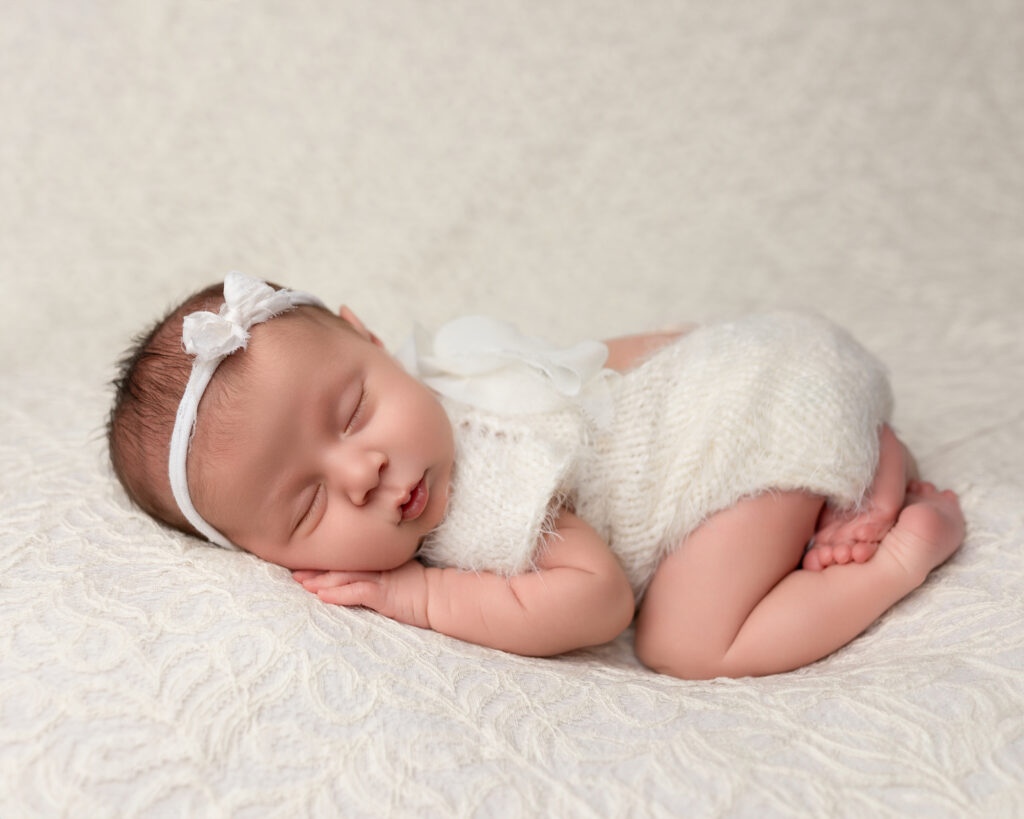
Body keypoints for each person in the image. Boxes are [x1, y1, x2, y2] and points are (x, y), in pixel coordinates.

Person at [108, 273, 965, 679]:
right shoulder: (456, 380)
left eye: (352, 413)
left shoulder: (476, 498)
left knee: (686, 641)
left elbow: (597, 600)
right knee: (768, 417)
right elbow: (604, 360)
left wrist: (417, 596)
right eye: (307, 503)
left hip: (751, 417)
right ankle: (867, 466)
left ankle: (899, 548)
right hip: (777, 356)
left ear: (369, 338)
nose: (364, 473)